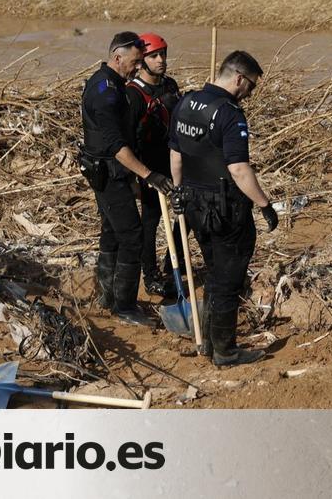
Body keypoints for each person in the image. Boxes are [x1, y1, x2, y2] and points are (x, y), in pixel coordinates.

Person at [169, 50, 280, 366]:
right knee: (228, 279)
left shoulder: (186, 103)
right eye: (251, 87)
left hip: (193, 205)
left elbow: (176, 155)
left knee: (214, 274)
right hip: (225, 208)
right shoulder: (230, 114)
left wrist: (178, 193)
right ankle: (226, 351)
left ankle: (207, 342)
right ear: (239, 79)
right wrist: (265, 205)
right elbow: (239, 170)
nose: (250, 94)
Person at [79, 31, 172, 326]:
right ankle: (125, 306)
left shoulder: (112, 83)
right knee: (132, 236)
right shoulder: (106, 92)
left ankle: (107, 297)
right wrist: (149, 175)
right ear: (117, 58)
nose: (136, 68)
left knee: (111, 233)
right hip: (109, 173)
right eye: (133, 62)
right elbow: (117, 146)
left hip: (108, 172)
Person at [126, 32, 183, 298]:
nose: (161, 60)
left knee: (188, 212)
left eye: (163, 54)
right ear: (142, 61)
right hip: (148, 165)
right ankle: (149, 276)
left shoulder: (170, 84)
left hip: (173, 158)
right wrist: (138, 179)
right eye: (154, 56)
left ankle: (176, 262)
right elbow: (126, 142)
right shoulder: (133, 94)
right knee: (150, 220)